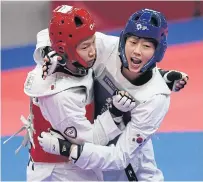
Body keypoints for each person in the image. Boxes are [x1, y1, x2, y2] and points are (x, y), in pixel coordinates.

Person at [36, 7, 188, 181]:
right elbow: (56, 34)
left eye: (146, 46)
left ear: (158, 51)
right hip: (94, 164)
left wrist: (66, 149)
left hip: (132, 172)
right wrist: (51, 53)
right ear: (123, 41)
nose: (137, 51)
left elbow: (119, 158)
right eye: (133, 42)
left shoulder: (155, 98)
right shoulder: (106, 47)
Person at [20, 5, 137, 181]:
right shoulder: (61, 96)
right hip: (62, 172)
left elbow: (46, 35)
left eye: (92, 42)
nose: (92, 52)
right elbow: (92, 141)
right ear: (63, 49)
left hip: (76, 165)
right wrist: (115, 113)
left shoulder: (65, 57)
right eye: (85, 46)